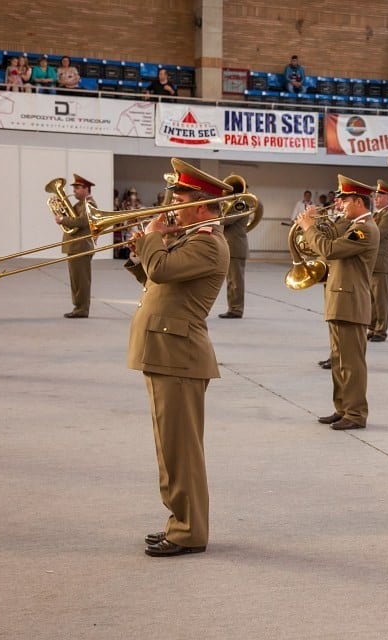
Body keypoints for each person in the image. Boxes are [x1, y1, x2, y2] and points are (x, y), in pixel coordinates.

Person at [125, 158, 231, 557]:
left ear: (202, 205)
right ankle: (179, 521)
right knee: (169, 448)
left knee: (181, 450)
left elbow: (165, 271)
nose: (170, 201)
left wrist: (152, 240)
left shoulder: (208, 242)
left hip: (179, 352)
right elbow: (159, 277)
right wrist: (142, 253)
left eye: (180, 195)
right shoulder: (191, 238)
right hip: (165, 349)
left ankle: (189, 531)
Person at [297, 175, 379, 431]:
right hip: (339, 299)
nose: (338, 203)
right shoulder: (350, 224)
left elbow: (330, 250)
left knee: (352, 363)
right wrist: (316, 221)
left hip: (351, 302)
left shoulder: (364, 228)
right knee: (339, 359)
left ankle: (355, 413)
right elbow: (330, 235)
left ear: (358, 201)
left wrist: (309, 228)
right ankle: (342, 407)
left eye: (343, 199)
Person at [55, 174, 97, 318]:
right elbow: (71, 218)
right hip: (75, 246)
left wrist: (63, 219)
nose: (74, 191)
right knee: (76, 280)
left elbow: (82, 221)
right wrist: (60, 210)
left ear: (87, 189)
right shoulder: (79, 204)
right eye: (74, 188)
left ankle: (82, 309)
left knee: (81, 280)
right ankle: (78, 307)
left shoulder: (89, 204)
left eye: (78, 188)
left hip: (82, 246)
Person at [368, 180, 388, 342]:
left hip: (381, 262)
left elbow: (377, 233)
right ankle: (372, 327)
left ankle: (381, 330)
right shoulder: (376, 215)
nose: (376, 198)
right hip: (372, 263)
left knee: (381, 299)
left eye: (381, 195)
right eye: (376, 195)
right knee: (372, 299)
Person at [218, 190, 248, 319]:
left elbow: (225, 221)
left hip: (235, 246)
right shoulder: (233, 204)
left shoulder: (240, 205)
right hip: (231, 246)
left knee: (236, 281)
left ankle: (236, 309)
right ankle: (233, 307)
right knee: (231, 280)